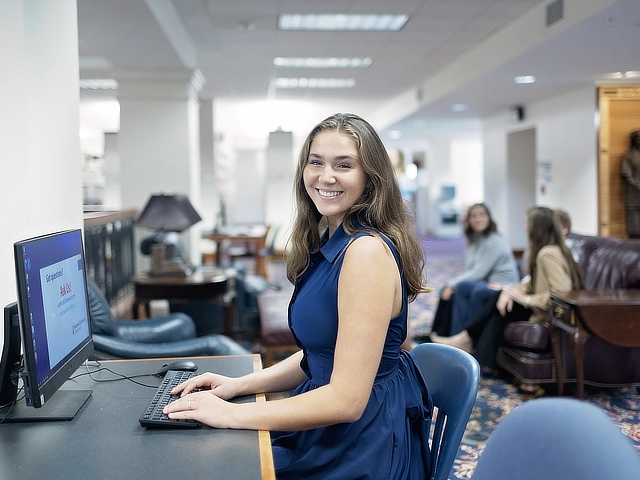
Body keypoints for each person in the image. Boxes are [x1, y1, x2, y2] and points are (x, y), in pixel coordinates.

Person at [163, 113, 434, 479]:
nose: (326, 177)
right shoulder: (334, 244)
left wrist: (230, 414)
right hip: (331, 428)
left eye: (344, 165)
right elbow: (320, 356)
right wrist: (238, 385)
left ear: (371, 178)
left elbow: (347, 400)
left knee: (210, 464)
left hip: (363, 445)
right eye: (316, 162)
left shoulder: (365, 253)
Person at [431, 206, 584, 369]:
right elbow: (532, 283)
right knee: (501, 304)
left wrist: (526, 299)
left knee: (497, 301)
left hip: (546, 313)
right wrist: (511, 292)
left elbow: (562, 293)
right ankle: (480, 358)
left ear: (537, 227)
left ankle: (466, 340)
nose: (524, 227)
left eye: (527, 223)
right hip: (539, 306)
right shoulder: (548, 250)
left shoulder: (547, 254)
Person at [429, 203, 519, 337]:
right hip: (486, 281)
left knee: (460, 286)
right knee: (454, 289)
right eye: (474, 216)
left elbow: (479, 272)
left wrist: (451, 284)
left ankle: (457, 336)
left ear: (489, 218)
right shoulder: (475, 239)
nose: (478, 219)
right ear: (468, 220)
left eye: (482, 215)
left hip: (502, 285)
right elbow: (469, 269)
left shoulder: (494, 241)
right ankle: (439, 333)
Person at [620, 130, 640, 238]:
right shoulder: (628, 156)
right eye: (637, 138)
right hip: (633, 194)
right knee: (634, 228)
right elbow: (626, 174)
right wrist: (637, 184)